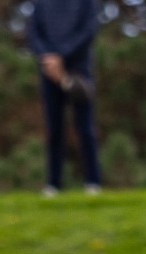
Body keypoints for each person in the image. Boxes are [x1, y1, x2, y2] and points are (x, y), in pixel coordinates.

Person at [26, 0, 101, 195]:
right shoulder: (41, 3)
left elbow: (88, 31)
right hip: (48, 72)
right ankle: (54, 184)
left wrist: (61, 57)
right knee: (54, 130)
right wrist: (48, 58)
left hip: (78, 70)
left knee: (85, 128)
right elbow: (33, 32)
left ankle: (93, 182)